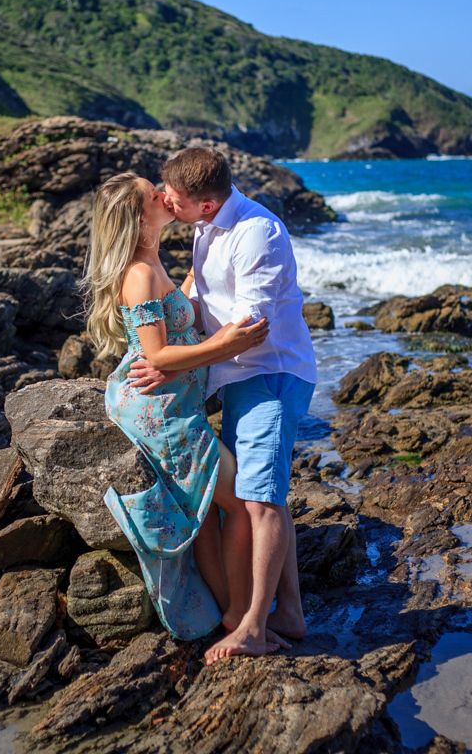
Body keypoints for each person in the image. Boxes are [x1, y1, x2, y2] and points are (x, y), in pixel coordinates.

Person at [79, 171, 285, 647]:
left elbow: (182, 304)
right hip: (162, 415)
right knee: (240, 504)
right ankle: (238, 613)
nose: (165, 196)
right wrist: (223, 344)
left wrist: (202, 266)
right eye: (154, 194)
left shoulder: (154, 263)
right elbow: (156, 357)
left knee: (214, 511)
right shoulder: (138, 274)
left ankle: (227, 610)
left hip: (178, 405)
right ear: (138, 215)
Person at [130, 148, 317, 661]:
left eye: (176, 198)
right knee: (262, 492)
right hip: (231, 379)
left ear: (207, 205)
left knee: (258, 497)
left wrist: (172, 363)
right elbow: (202, 291)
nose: (166, 201)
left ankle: (253, 627)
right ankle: (290, 613)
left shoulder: (258, 233)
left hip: (269, 373)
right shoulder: (203, 226)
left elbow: (249, 331)